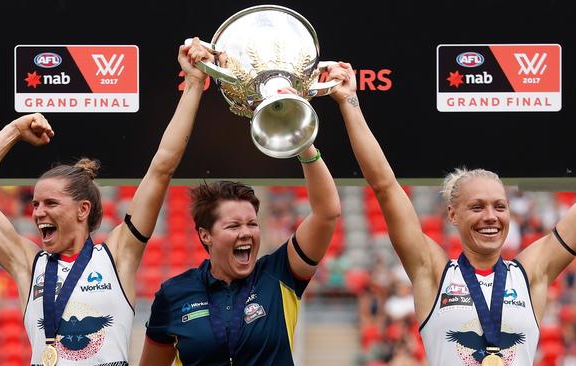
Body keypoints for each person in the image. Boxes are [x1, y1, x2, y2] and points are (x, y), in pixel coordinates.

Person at [0, 38, 214, 365]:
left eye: (50, 204)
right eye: (34, 205)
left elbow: (163, 166)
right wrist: (14, 130)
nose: (38, 213)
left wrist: (193, 82)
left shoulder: (118, 254)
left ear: (82, 209)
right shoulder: (28, 263)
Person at [330, 60, 576, 365]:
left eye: (500, 206)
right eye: (477, 206)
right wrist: (349, 101)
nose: (491, 216)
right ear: (452, 215)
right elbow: (384, 186)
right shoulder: (433, 272)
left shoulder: (530, 274)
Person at [139, 155, 341, 363]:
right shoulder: (174, 293)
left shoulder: (280, 273)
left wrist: (305, 149)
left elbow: (327, 212)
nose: (246, 232)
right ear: (205, 235)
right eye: (234, 226)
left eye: (252, 224)